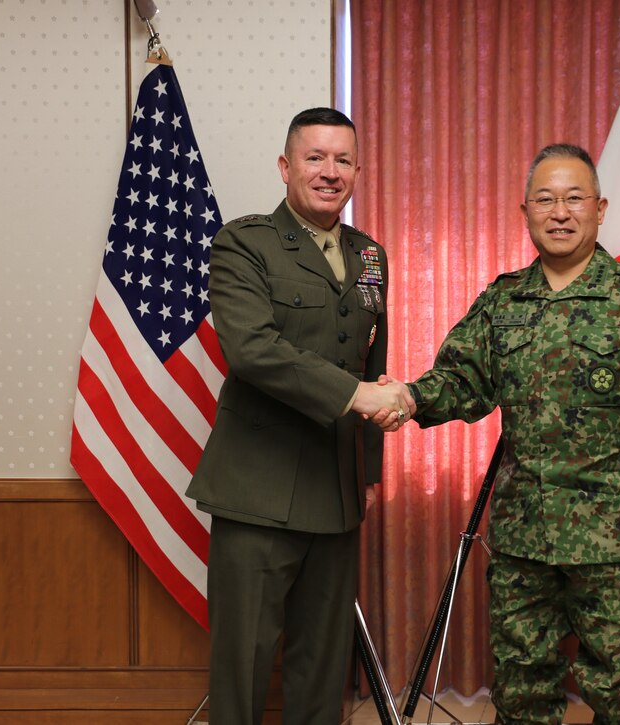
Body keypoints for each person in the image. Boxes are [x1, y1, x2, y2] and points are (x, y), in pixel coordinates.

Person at [384, 143, 620, 723]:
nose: (560, 212)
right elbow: (462, 381)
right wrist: (407, 398)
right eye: (546, 199)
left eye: (574, 198)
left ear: (600, 208)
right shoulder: (505, 300)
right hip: (521, 537)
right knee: (522, 683)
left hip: (612, 536)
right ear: (526, 210)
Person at [186, 107, 414, 725]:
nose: (329, 171)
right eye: (315, 158)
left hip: (335, 491)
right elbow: (252, 350)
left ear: (358, 171)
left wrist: (368, 457)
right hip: (257, 488)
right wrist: (359, 396)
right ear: (286, 167)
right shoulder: (244, 242)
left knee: (321, 666)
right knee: (244, 666)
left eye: (343, 160)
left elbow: (374, 356)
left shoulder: (371, 256)